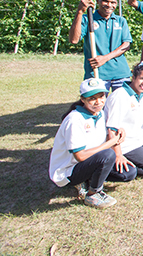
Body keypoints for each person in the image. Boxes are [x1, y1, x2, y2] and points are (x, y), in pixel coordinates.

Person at [49, 78, 133, 209]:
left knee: (129, 173)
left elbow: (106, 134)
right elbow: (80, 156)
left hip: (90, 162)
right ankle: (93, 193)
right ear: (83, 99)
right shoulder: (74, 120)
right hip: (69, 170)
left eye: (101, 96)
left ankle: (88, 180)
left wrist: (118, 132)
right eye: (92, 98)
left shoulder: (101, 113)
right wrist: (111, 142)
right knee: (108, 155)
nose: (98, 102)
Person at [104, 64, 143, 178]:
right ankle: (113, 165)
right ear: (133, 78)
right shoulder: (120, 96)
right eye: (142, 78)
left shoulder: (142, 93)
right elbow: (112, 129)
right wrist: (118, 154)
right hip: (125, 143)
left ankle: (137, 158)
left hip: (140, 137)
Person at [68, 0, 132, 91]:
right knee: (97, 106)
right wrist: (79, 12)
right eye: (105, 1)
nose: (109, 5)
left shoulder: (120, 21)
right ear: (98, 0)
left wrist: (105, 58)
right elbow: (74, 40)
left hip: (120, 73)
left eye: (113, 2)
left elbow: (126, 45)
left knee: (122, 105)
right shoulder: (87, 19)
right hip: (96, 73)